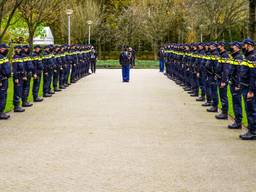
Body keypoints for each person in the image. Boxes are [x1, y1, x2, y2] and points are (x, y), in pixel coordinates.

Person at [239, 38, 256, 140]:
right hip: (245, 86)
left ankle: (253, 132)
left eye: (244, 45)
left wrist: (251, 91)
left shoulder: (253, 57)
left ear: (249, 45)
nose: (243, 47)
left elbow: (253, 76)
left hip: (249, 88)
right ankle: (251, 129)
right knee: (248, 109)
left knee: (251, 110)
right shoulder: (247, 56)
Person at [228, 42, 243, 129]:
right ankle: (237, 121)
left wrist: (238, 84)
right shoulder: (234, 57)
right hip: (233, 83)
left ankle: (238, 122)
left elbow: (239, 73)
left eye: (233, 46)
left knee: (237, 103)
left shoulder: (239, 58)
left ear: (238, 48)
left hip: (236, 84)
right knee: (235, 102)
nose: (231, 47)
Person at [12, 45, 26, 112]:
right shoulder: (15, 57)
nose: (18, 50)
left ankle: (18, 105)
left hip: (21, 76)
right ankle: (16, 106)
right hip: (17, 76)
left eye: (19, 49)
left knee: (20, 91)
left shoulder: (20, 57)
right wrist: (16, 78)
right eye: (17, 49)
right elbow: (14, 69)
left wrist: (24, 75)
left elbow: (22, 67)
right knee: (17, 91)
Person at [0, 43, 11, 120]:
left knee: (4, 95)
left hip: (5, 79)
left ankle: (2, 111)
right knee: (2, 96)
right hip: (2, 79)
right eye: (5, 49)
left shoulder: (3, 57)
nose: (6, 50)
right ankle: (1, 113)